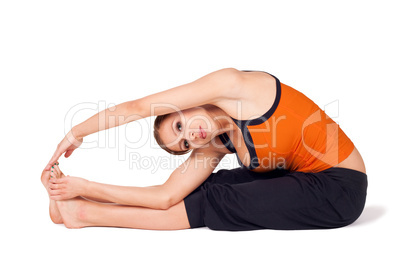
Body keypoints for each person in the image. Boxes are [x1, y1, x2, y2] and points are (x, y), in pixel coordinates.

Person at [42, 68, 367, 230]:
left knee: (219, 200)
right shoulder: (215, 143)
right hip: (301, 178)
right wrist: (82, 186)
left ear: (183, 105)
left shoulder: (236, 86)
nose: (191, 138)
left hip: (339, 188)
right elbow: (165, 196)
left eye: (179, 125)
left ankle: (83, 214)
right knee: (207, 185)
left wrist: (76, 133)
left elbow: (140, 106)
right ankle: (76, 202)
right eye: (184, 143)